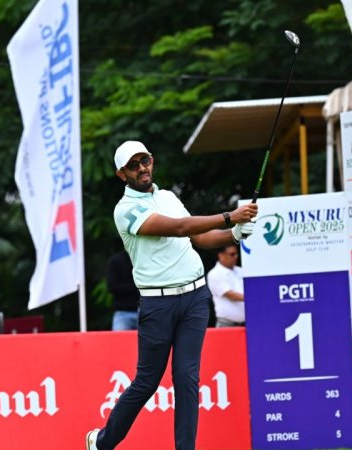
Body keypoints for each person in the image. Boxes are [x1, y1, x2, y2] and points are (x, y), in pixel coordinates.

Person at [86, 140, 258, 450]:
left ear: (152, 160)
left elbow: (198, 237)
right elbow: (178, 227)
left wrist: (233, 234)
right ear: (122, 174)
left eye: (145, 160)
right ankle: (103, 442)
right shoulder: (125, 210)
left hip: (195, 298)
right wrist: (230, 217)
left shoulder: (167, 197)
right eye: (133, 165)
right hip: (158, 303)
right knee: (147, 381)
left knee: (187, 378)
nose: (142, 168)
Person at [207, 244, 245, 327]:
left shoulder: (241, 271)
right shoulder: (214, 274)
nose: (236, 257)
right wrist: (254, 298)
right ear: (221, 255)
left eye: (236, 254)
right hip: (226, 324)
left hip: (245, 324)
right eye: (232, 254)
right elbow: (231, 295)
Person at [106, 251, 139, 331]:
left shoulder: (144, 260)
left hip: (144, 311)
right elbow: (112, 287)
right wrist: (136, 288)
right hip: (122, 312)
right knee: (118, 339)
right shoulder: (116, 261)